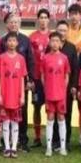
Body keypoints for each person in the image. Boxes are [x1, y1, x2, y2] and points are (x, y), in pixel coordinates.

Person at [0, 12, 34, 152]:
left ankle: (22, 140)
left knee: (22, 111)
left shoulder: (25, 40)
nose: (13, 24)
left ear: (19, 23)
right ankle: (6, 141)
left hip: (21, 82)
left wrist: (30, 79)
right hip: (6, 83)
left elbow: (30, 60)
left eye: (16, 22)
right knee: (5, 112)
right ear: (7, 24)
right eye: (11, 22)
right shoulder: (3, 40)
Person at [0, 32, 26, 158]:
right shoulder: (2, 58)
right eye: (9, 41)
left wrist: (22, 95)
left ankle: (14, 147)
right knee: (5, 121)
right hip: (5, 94)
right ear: (6, 42)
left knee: (15, 121)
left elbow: (22, 78)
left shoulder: (21, 59)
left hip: (16, 94)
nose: (11, 43)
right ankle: (7, 147)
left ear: (17, 43)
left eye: (14, 41)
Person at [42, 32, 70, 157]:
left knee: (61, 118)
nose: (54, 43)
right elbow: (42, 75)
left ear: (60, 43)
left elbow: (66, 75)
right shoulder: (45, 58)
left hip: (61, 94)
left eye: (57, 41)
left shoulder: (64, 58)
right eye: (52, 41)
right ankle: (49, 147)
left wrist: (63, 89)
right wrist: (46, 88)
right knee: (50, 118)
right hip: (49, 93)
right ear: (49, 42)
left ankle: (63, 147)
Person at [53, 20, 79, 150]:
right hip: (53, 87)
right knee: (53, 115)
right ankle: (55, 140)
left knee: (66, 114)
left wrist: (74, 86)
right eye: (60, 30)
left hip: (67, 88)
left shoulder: (71, 48)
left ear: (67, 32)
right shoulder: (50, 47)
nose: (62, 33)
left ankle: (66, 141)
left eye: (64, 30)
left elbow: (75, 69)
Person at [29, 8, 51, 148]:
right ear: (38, 20)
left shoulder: (53, 36)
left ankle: (50, 136)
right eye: (41, 17)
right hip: (37, 78)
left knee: (50, 108)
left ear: (48, 19)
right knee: (36, 107)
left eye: (45, 17)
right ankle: (37, 137)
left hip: (50, 79)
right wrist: (30, 79)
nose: (43, 20)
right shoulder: (32, 37)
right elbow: (30, 59)